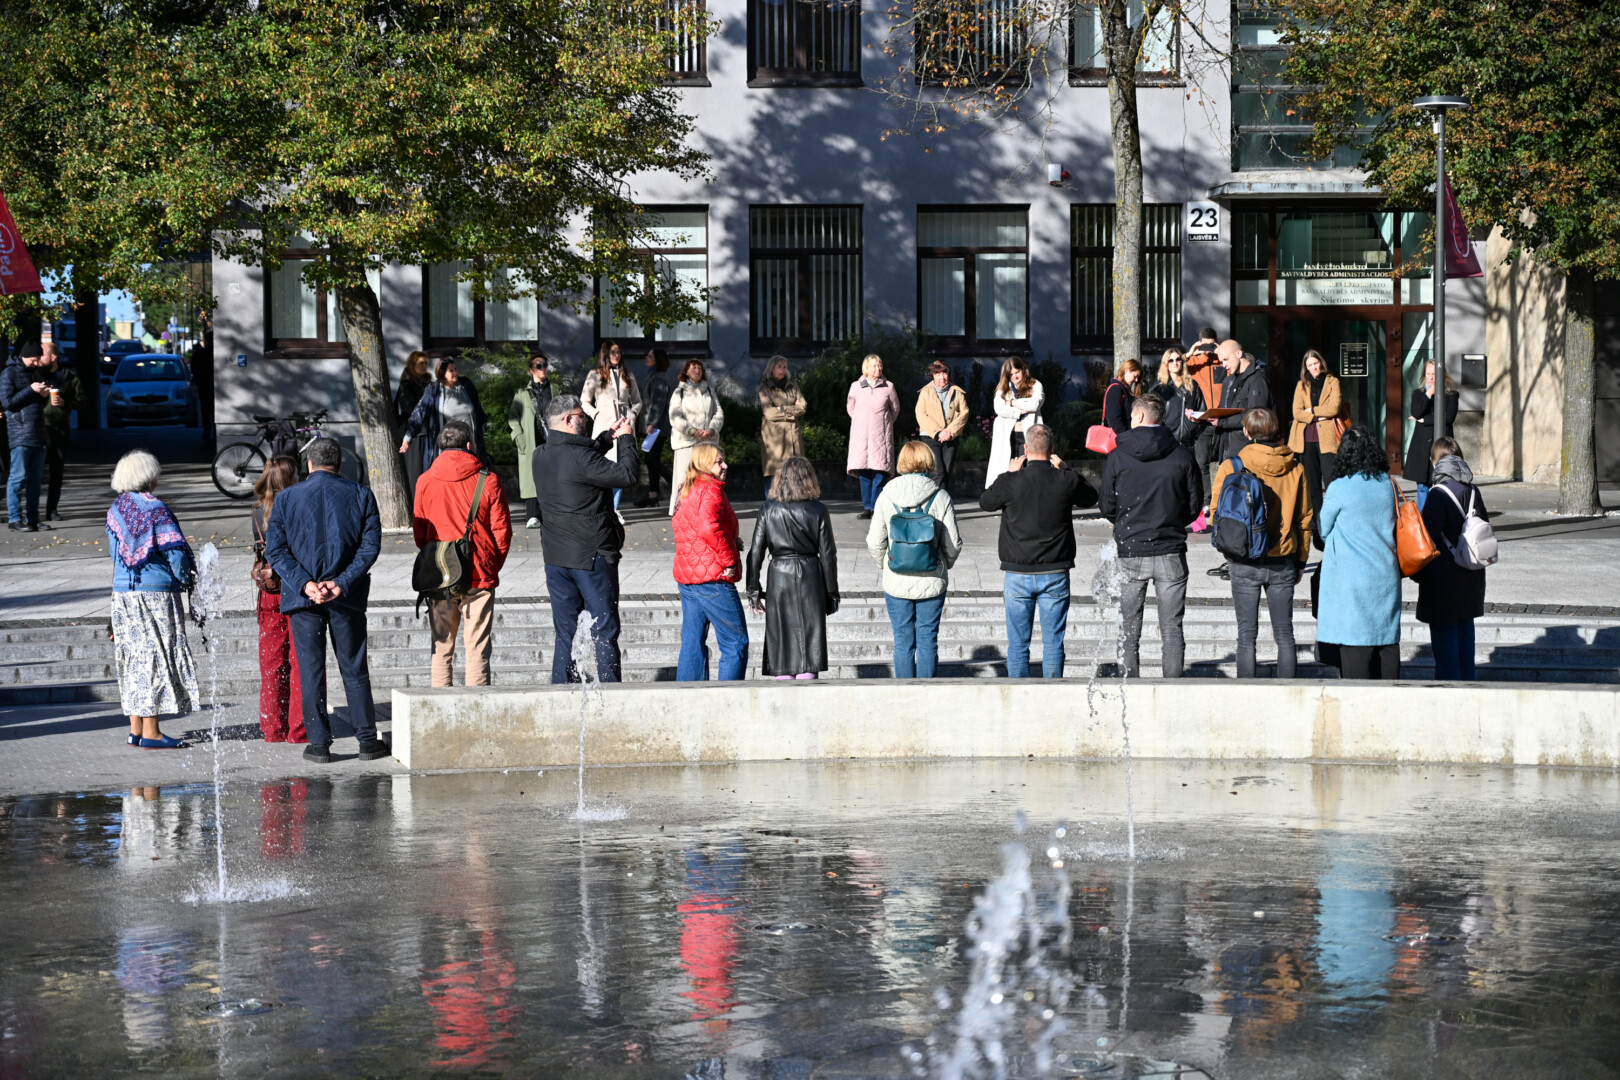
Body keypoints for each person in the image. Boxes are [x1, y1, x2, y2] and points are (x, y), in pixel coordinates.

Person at [263, 438, 388, 764]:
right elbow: (370, 547)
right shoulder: (361, 494)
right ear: (340, 463)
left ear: (310, 464)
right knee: (354, 668)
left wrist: (305, 585)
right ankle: (367, 741)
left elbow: (276, 550)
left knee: (311, 671)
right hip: (346, 596)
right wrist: (341, 583)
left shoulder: (286, 498)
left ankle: (319, 744)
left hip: (303, 599)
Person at [531, 395, 639, 681]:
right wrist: (626, 439)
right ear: (568, 419)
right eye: (582, 415)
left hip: (556, 558)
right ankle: (611, 694)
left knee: (565, 633)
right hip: (591, 557)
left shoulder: (540, 455)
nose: (586, 419)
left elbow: (577, 463)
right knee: (604, 630)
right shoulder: (583, 459)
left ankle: (562, 693)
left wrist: (604, 440)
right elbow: (627, 475)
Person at [980, 424, 1098, 678]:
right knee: (1053, 643)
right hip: (1055, 570)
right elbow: (1090, 497)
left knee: (1018, 646)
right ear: (1052, 449)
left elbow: (985, 502)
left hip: (1017, 571)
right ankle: (1052, 695)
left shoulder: (1010, 481)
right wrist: (1066, 468)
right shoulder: (1066, 479)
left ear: (1025, 449)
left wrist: (1008, 474)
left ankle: (1019, 696)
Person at [1098, 396, 1203, 678]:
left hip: (1131, 549)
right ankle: (1173, 691)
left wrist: (1127, 523)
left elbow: (1107, 505)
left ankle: (1129, 690)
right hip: (1170, 548)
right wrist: (1172, 522)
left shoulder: (1118, 455)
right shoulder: (1182, 454)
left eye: (1132, 417)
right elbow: (1194, 506)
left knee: (1128, 630)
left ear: (1140, 416)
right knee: (1172, 630)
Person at [1208, 408, 1313, 679]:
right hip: (1283, 559)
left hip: (1243, 558)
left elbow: (1215, 512)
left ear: (1246, 432)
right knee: (1285, 634)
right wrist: (1301, 560)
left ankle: (1247, 694)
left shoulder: (1232, 466)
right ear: (1276, 430)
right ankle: (1289, 692)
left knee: (1246, 636)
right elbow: (1304, 519)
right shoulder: (1296, 468)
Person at [106, 450, 198, 750]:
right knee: (155, 657)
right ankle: (152, 733)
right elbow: (176, 554)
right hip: (156, 593)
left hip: (123, 594)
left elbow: (115, 556)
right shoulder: (156, 509)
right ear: (147, 476)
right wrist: (186, 579)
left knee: (134, 658)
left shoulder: (116, 509)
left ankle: (135, 730)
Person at [414, 420, 513, 687]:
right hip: (478, 573)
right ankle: (476, 705)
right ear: (469, 445)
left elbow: (420, 535)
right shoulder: (488, 480)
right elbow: (502, 531)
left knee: (441, 646)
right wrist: (491, 564)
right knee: (477, 646)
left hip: (440, 573)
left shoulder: (424, 481)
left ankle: (440, 704)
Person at [866, 440, 962, 678]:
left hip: (896, 580)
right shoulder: (940, 496)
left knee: (902, 641)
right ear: (929, 461)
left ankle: (904, 694)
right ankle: (927, 693)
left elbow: (874, 541)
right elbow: (952, 544)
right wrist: (944, 564)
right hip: (932, 579)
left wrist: (887, 564)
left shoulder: (886, 495)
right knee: (928, 640)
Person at [1315, 425, 1401, 680]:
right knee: (1386, 640)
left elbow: (1323, 529)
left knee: (1356, 646)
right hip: (1386, 575)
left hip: (1351, 579)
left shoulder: (1340, 488)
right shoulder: (1388, 484)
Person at [746, 456, 840, 680]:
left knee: (781, 640)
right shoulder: (818, 510)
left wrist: (753, 590)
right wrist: (832, 593)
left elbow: (756, 553)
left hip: (779, 576)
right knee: (810, 639)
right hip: (810, 576)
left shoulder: (768, 509)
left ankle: (784, 688)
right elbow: (828, 555)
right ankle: (808, 687)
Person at [671, 442, 748, 681]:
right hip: (713, 577)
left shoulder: (688, 488)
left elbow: (689, 529)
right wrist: (729, 559)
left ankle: (688, 696)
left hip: (689, 578)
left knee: (692, 643)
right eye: (718, 462)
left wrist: (730, 539)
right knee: (735, 642)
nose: (725, 466)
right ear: (704, 464)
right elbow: (707, 528)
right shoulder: (711, 489)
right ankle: (727, 698)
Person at [1415, 438, 1489, 680]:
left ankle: (1450, 692)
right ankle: (1468, 686)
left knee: (1445, 645)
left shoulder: (1438, 493)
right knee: (1465, 636)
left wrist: (1417, 573)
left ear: (1436, 462)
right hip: (1470, 573)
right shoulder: (1473, 490)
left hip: (1443, 579)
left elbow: (1427, 538)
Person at [252, 455, 308, 743]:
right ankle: (299, 729)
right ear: (288, 478)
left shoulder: (258, 511)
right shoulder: (297, 507)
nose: (300, 478)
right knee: (300, 662)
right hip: (296, 589)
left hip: (269, 593)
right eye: (296, 474)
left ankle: (273, 728)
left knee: (272, 663)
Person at [581, 340, 643, 522]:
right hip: (604, 425)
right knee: (605, 466)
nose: (617, 355)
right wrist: (596, 414)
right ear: (606, 354)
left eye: (619, 352)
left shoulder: (628, 374)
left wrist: (632, 414)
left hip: (624, 423)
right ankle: (605, 507)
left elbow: (637, 400)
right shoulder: (594, 375)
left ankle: (614, 508)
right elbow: (584, 401)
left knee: (623, 465)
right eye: (613, 352)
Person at [400, 357, 487, 472]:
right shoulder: (434, 390)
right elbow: (420, 412)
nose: (455, 372)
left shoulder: (466, 385)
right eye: (451, 370)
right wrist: (408, 437)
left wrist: (482, 429)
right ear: (442, 373)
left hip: (470, 445)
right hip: (448, 448)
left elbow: (477, 409)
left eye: (455, 369)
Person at [1288, 349, 1344, 524]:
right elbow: (1297, 412)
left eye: (1315, 363)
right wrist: (1318, 416)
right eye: (1310, 365)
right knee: (1312, 485)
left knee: (1331, 482)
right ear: (1305, 368)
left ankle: (1335, 520)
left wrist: (1311, 410)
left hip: (1328, 439)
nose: (1313, 367)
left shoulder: (1333, 381)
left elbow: (1334, 408)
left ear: (1321, 363)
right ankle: (1316, 523)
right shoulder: (1301, 385)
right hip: (1306, 440)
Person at [2, 342, 50, 531]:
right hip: (20, 433)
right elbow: (8, 403)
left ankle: (33, 519)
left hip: (38, 433)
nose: (36, 363)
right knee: (17, 477)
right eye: (34, 359)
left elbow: (35, 402)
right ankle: (14, 519)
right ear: (25, 356)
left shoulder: (35, 373)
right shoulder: (9, 373)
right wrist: (31, 389)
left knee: (35, 480)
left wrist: (43, 395)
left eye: (38, 359)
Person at [846, 354, 900, 519]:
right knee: (864, 473)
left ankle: (877, 507)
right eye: (875, 366)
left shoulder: (889, 387)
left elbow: (895, 409)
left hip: (880, 436)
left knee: (879, 472)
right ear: (866, 369)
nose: (878, 368)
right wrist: (861, 422)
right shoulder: (856, 387)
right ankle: (867, 507)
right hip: (861, 437)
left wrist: (883, 423)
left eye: (880, 365)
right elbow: (851, 408)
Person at [668, 359, 724, 516]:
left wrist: (711, 429)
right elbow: (675, 416)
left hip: (707, 442)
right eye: (693, 368)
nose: (697, 370)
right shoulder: (679, 392)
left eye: (700, 368)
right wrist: (692, 430)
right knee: (685, 480)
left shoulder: (709, 391)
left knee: (707, 479)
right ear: (686, 372)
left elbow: (718, 413)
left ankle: (706, 511)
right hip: (687, 442)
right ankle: (682, 512)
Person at [39, 341, 87, 524]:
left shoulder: (69, 376)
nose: (39, 358)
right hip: (39, 428)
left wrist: (66, 402)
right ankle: (29, 512)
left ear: (53, 357)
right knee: (34, 471)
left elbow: (82, 400)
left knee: (56, 470)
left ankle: (51, 510)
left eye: (42, 354)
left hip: (59, 428)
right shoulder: (36, 374)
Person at [1404, 361, 1460, 510]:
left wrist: (1425, 420)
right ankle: (1423, 519)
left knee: (1443, 485)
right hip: (1422, 446)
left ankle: (1441, 517)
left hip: (1442, 446)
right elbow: (1416, 412)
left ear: (1442, 375)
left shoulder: (1451, 395)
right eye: (1428, 374)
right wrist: (1428, 394)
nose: (1431, 377)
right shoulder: (1419, 394)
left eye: (1434, 374)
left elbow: (1448, 418)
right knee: (1422, 486)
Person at [507, 350, 553, 529]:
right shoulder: (522, 393)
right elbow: (513, 417)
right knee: (531, 476)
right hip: (530, 439)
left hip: (551, 439)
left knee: (551, 475)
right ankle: (533, 515)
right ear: (531, 370)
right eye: (538, 366)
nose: (543, 369)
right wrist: (519, 437)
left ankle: (549, 513)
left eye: (545, 365)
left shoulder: (554, 389)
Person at [986, 357, 1045, 488]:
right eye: (1011, 374)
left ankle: (1027, 494)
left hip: (1028, 434)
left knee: (1027, 467)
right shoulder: (1003, 388)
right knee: (1008, 467)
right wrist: (1019, 412)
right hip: (1008, 435)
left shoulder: (1035, 385)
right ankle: (1010, 495)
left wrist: (1012, 402)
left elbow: (1034, 404)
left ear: (1023, 369)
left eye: (1017, 372)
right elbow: (999, 409)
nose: (1014, 377)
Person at [1212, 341, 1273, 462]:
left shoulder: (1257, 379)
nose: (1224, 365)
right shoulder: (1228, 381)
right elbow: (1222, 411)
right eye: (1221, 361)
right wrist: (1204, 419)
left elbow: (1256, 417)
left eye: (1226, 359)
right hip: (1227, 447)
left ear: (1239, 353)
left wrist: (1222, 422)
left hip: (1246, 449)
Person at [914, 361, 969, 493]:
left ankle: (943, 501)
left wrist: (949, 431)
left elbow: (964, 413)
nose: (942, 377)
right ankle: (936, 501)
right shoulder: (925, 392)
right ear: (932, 375)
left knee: (947, 472)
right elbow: (920, 414)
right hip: (930, 436)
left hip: (951, 437)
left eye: (944, 373)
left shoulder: (957, 392)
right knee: (938, 472)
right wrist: (938, 432)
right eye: (938, 374)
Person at [758, 355, 807, 482]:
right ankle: (772, 496)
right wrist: (793, 411)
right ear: (772, 368)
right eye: (779, 366)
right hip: (775, 436)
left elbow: (803, 407)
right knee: (775, 474)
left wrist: (783, 409)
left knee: (795, 473)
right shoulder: (765, 388)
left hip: (793, 434)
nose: (782, 369)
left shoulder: (793, 386)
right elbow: (769, 413)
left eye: (784, 367)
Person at [636, 348, 674, 508]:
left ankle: (675, 482)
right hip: (655, 426)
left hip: (656, 427)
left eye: (650, 356)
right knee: (652, 459)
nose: (646, 357)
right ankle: (653, 494)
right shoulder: (654, 376)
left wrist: (651, 423)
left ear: (657, 360)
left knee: (650, 458)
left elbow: (658, 404)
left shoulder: (659, 378)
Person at [394, 350, 432, 498]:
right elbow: (409, 407)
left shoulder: (429, 383)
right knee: (415, 471)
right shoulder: (406, 384)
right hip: (413, 432)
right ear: (412, 364)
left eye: (426, 363)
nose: (424, 366)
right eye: (421, 363)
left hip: (429, 430)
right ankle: (415, 504)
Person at [1101, 359, 1144, 436]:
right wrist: (1126, 438)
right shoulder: (1116, 389)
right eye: (1135, 376)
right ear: (1126, 371)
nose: (1136, 380)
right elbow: (1114, 420)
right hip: (1122, 438)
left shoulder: (1124, 389)